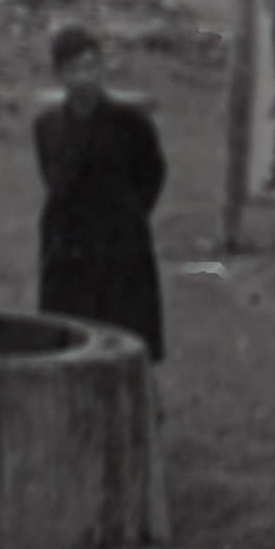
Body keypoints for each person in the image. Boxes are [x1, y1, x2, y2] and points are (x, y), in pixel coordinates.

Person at [35, 24, 170, 359]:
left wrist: (132, 214)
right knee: (67, 332)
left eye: (91, 66)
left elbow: (152, 172)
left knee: (125, 331)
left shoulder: (131, 122)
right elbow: (52, 177)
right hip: (67, 244)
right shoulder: (47, 125)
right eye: (75, 69)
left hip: (119, 242)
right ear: (60, 75)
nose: (85, 78)